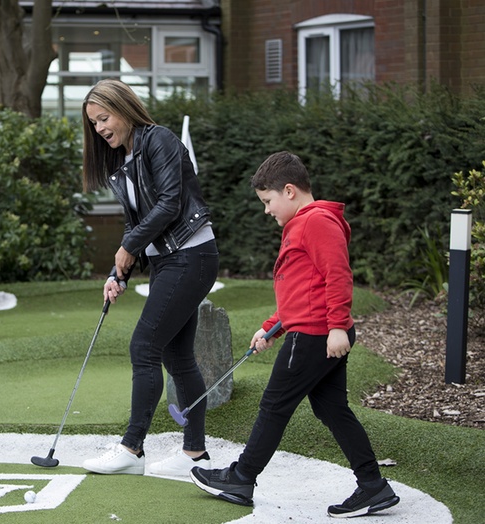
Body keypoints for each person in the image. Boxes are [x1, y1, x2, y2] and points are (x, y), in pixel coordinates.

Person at [190, 151, 400, 518]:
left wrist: (337, 326)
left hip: (317, 336)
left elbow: (337, 275)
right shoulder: (305, 223)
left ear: (289, 191)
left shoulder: (316, 222)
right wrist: (274, 324)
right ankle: (373, 485)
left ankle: (241, 478)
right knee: (332, 409)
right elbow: (305, 287)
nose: (267, 210)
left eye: (268, 201)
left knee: (274, 406)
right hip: (314, 332)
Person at [79, 79, 219, 476]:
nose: (100, 128)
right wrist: (117, 272)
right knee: (177, 356)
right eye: (94, 124)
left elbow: (169, 203)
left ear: (124, 109)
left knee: (144, 346)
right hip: (168, 262)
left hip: (191, 255)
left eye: (104, 118)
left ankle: (132, 449)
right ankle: (195, 455)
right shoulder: (121, 161)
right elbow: (135, 223)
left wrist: (127, 248)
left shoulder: (159, 140)